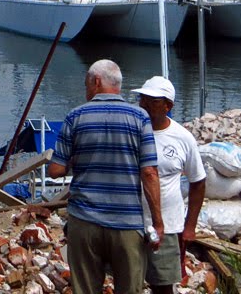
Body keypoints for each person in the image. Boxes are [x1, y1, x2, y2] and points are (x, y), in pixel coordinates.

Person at [47, 59, 164, 294]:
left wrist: (76, 160)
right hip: (127, 224)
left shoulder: (75, 117)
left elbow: (55, 171)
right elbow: (149, 172)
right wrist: (158, 222)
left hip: (85, 221)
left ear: (96, 82)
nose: (86, 89)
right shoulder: (140, 118)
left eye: (86, 83)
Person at [134, 75, 207, 294]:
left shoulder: (182, 138)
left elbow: (198, 181)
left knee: (163, 283)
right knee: (127, 282)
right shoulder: (131, 131)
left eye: (153, 100)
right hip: (130, 222)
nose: (145, 104)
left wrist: (190, 226)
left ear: (168, 105)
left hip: (168, 225)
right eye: (143, 99)